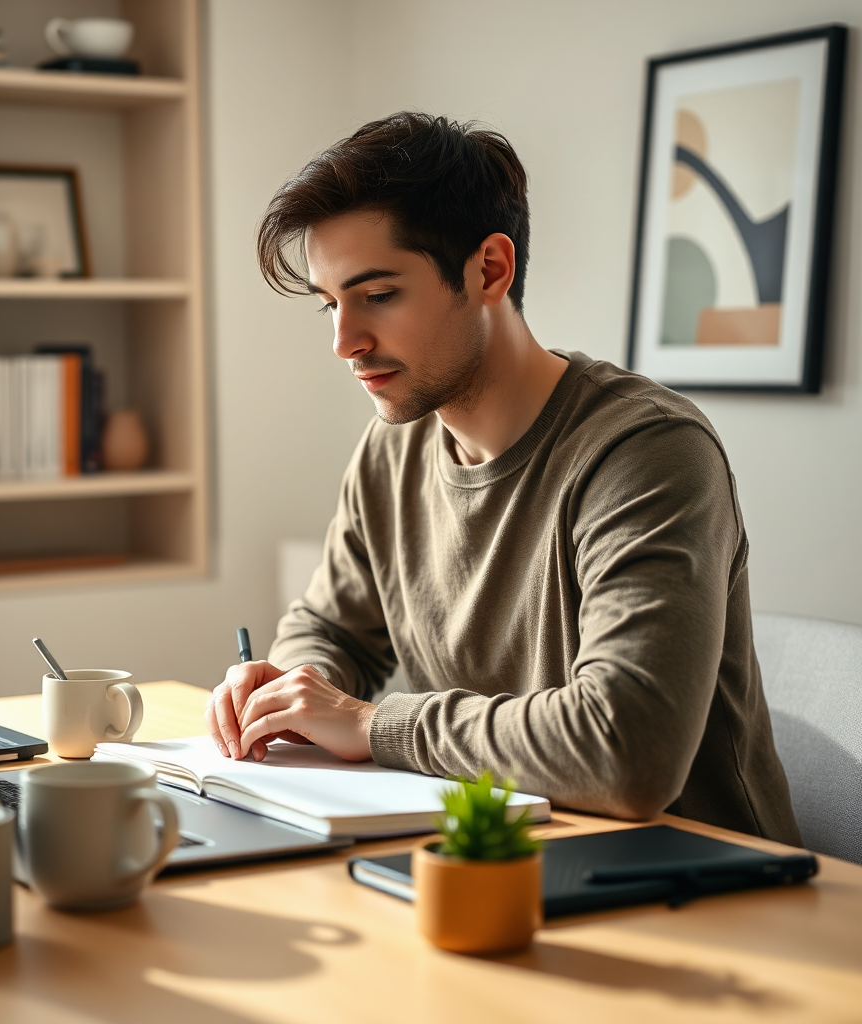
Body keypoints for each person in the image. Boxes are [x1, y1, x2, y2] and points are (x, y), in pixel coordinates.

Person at [205, 111, 799, 844]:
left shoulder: (647, 452)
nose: (344, 343)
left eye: (378, 295)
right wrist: (290, 694)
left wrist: (370, 723)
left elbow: (627, 750)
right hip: (491, 853)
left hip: (698, 885)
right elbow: (331, 628)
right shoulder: (392, 449)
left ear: (490, 268)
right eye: (331, 304)